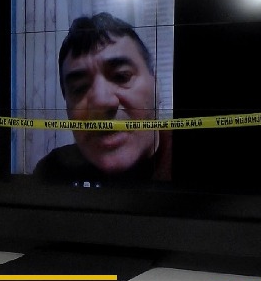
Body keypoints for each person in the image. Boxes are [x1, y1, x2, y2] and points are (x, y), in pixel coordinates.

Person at [33, 12, 171, 183]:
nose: (100, 101)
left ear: (156, 85)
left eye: (121, 76)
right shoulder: (52, 172)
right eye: (79, 88)